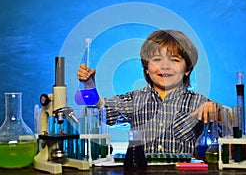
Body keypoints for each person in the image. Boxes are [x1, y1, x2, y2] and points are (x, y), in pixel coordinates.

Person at [77, 29, 220, 155]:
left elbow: (228, 124)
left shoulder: (199, 103)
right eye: (157, 59)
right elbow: (99, 109)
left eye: (174, 60)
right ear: (146, 67)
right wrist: (89, 85)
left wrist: (217, 109)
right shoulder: (134, 100)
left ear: (187, 70)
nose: (165, 66)